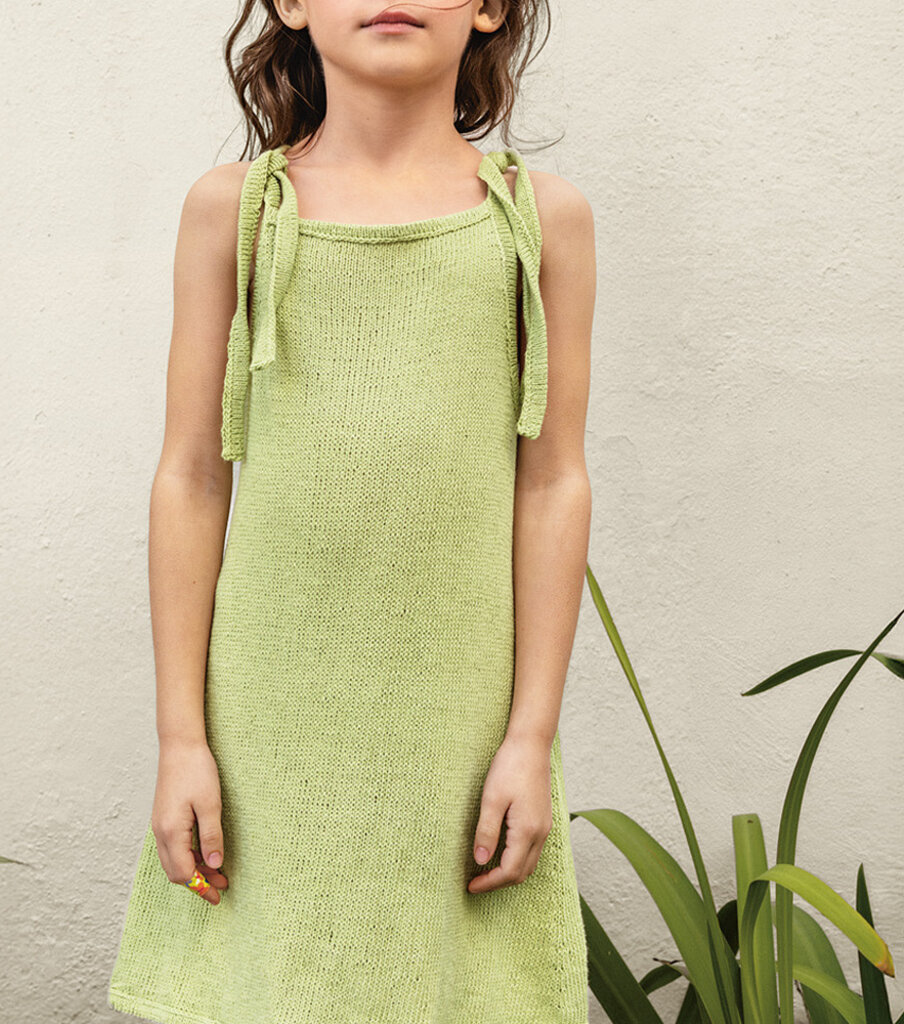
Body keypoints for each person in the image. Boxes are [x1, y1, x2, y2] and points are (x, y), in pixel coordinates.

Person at [107, 0, 596, 1021]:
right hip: (268, 721)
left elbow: (552, 481)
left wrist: (530, 735)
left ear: (489, 9)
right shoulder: (234, 211)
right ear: (290, 3)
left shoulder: (540, 220)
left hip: (457, 720)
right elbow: (191, 476)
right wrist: (181, 738)